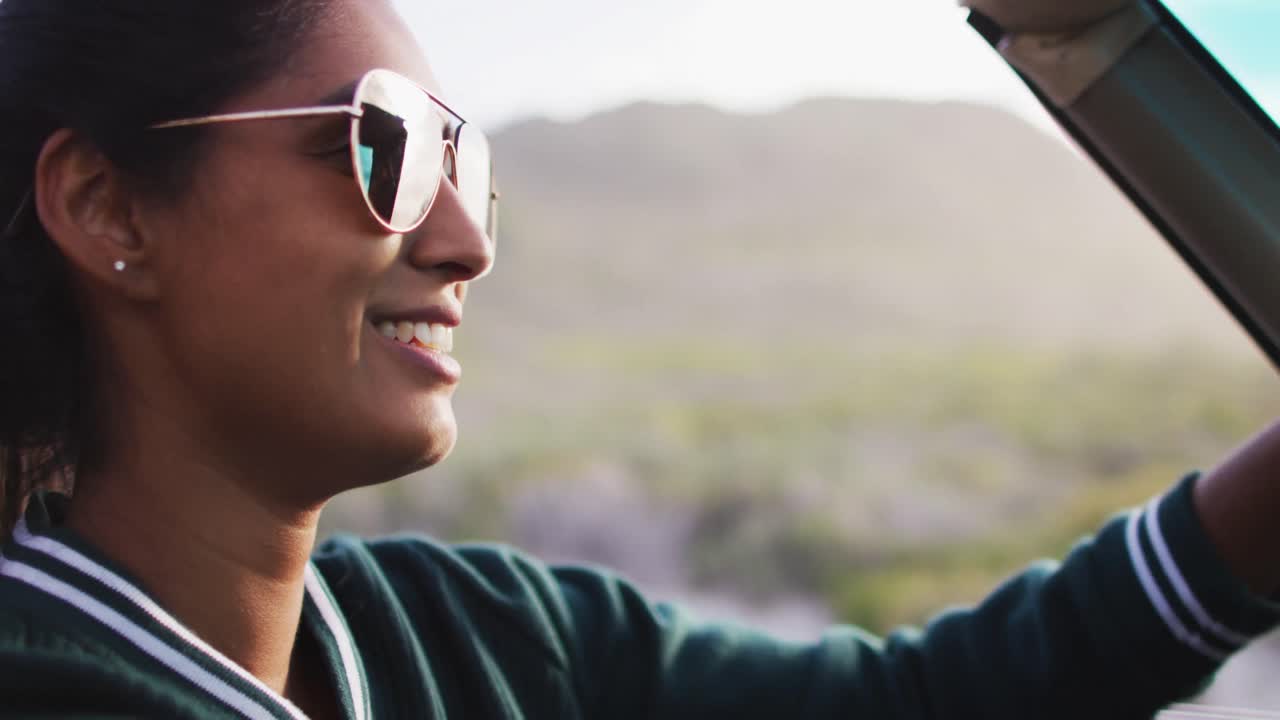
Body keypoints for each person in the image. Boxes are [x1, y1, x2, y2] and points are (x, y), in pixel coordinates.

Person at [1, 1, 1278, 718]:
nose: (461, 244)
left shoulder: (480, 641)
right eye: (381, 149)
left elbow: (924, 705)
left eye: (468, 164)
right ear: (110, 208)